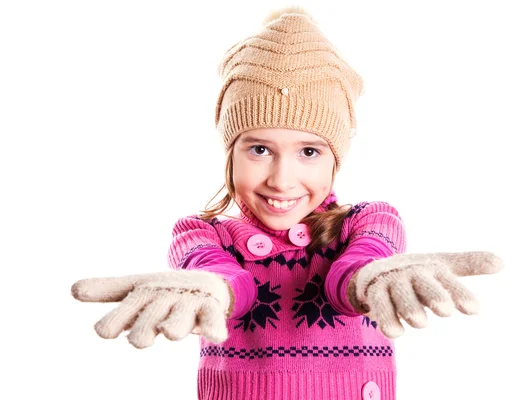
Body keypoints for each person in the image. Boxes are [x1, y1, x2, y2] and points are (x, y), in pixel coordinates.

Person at [71, 7, 503, 400]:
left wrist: (369, 277)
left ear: (337, 157)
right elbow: (227, 282)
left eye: (309, 152)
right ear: (230, 152)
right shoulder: (200, 234)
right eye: (259, 149)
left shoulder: (370, 220)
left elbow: (351, 276)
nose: (281, 180)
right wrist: (211, 288)